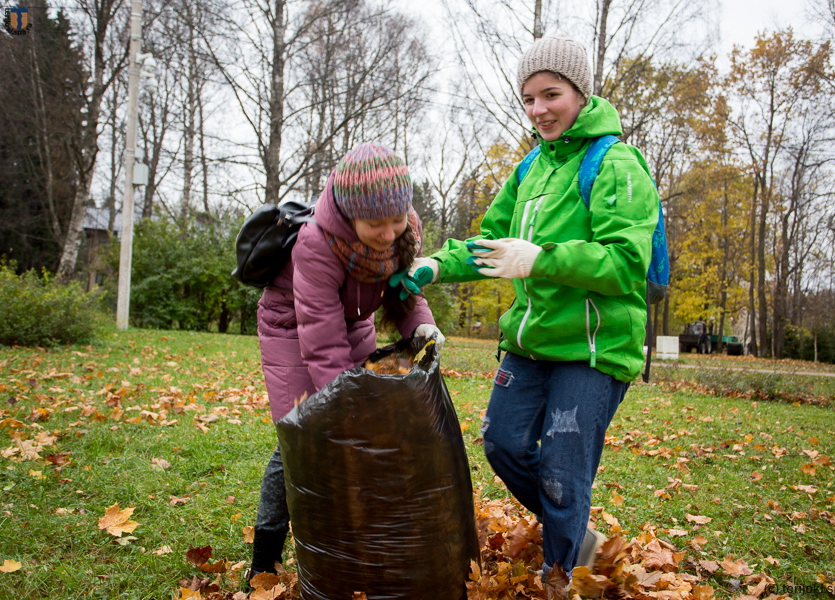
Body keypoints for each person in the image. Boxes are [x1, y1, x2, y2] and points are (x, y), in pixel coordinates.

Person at [392, 35, 659, 578]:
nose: (539, 110)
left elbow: (628, 262)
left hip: (592, 348)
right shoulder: (530, 169)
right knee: (503, 445)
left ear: (581, 92)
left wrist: (541, 259)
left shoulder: (618, 164)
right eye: (528, 99)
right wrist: (437, 264)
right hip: (530, 343)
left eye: (551, 94)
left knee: (563, 471)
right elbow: (491, 244)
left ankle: (560, 577)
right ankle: (578, 534)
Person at [249, 142, 444, 580]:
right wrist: (343, 400)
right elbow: (318, 332)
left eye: (396, 220)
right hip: (291, 328)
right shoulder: (316, 243)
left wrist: (421, 328)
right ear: (351, 213)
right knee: (302, 437)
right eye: (376, 224)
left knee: (364, 431)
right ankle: (265, 556)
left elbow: (402, 290)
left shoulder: (404, 231)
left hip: (353, 324)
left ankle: (357, 539)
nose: (388, 233)